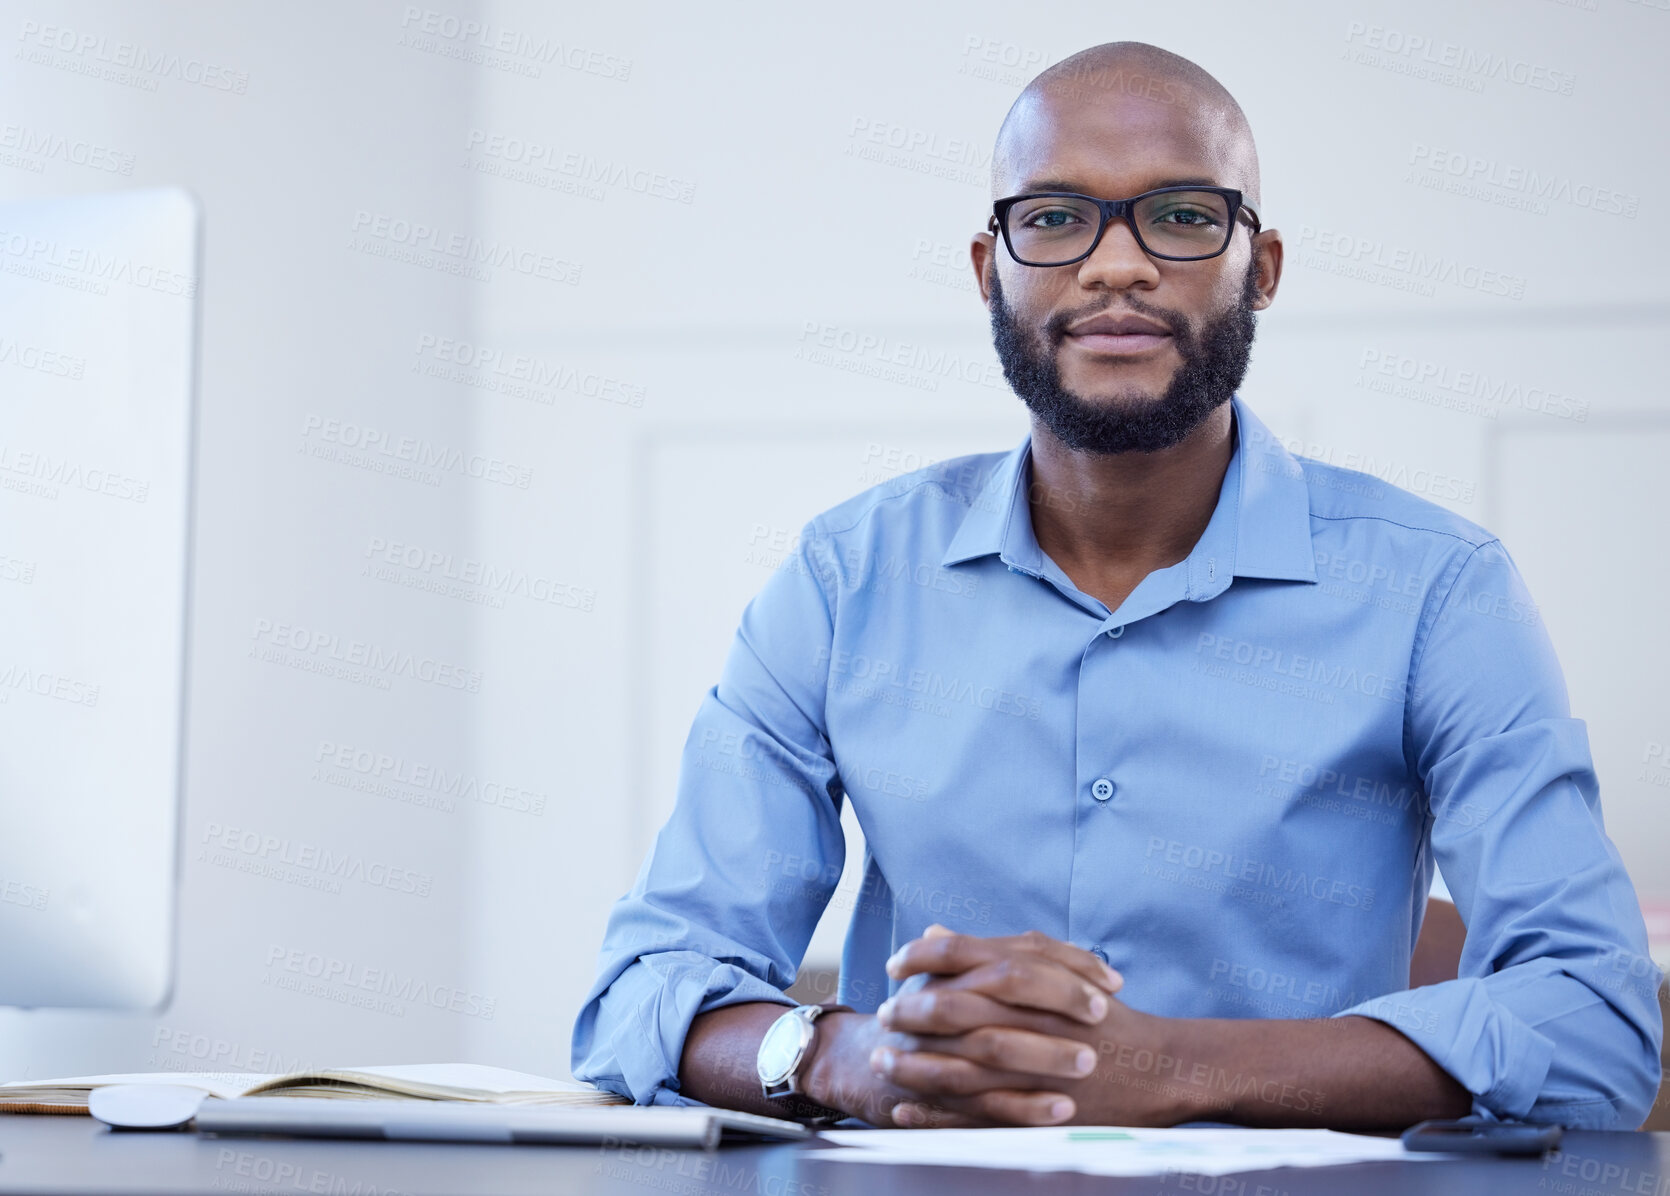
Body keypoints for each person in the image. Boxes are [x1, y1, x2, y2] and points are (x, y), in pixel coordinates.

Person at [571, 41, 1663, 1131]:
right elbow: (644, 990)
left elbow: (1594, 1024)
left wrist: (1164, 1065)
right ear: (986, 267)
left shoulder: (1437, 591)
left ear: (1262, 266)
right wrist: (846, 1054)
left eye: (1181, 215)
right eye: (1051, 218)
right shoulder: (841, 579)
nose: (1114, 266)